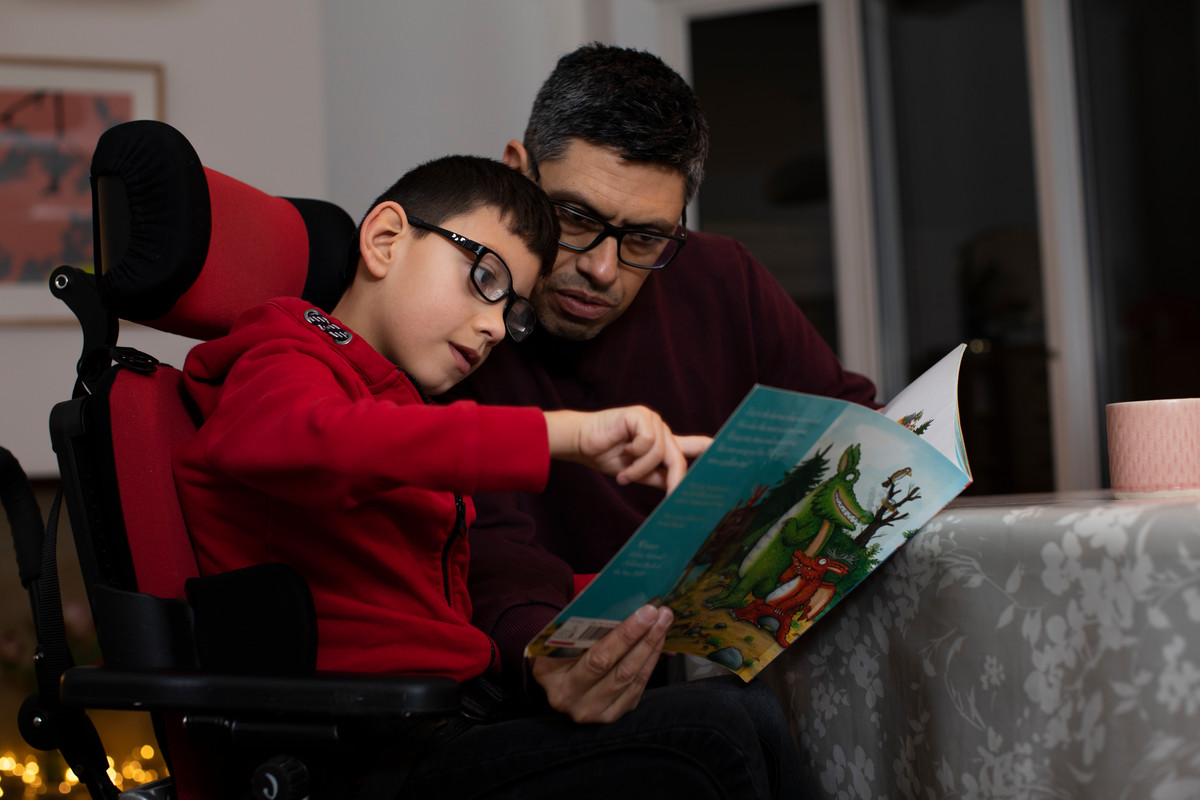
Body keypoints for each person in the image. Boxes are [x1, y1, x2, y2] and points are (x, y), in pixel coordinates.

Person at [173, 155, 800, 799]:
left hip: (458, 718)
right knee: (714, 729)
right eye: (484, 279)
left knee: (745, 707)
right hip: (369, 755)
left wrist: (664, 588)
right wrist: (566, 433)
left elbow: (456, 596)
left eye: (514, 311)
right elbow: (320, 442)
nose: (496, 326)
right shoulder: (279, 356)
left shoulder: (398, 408)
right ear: (386, 240)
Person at [449, 43, 881, 718]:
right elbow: (480, 544)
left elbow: (850, 422)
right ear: (516, 173)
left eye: (646, 238)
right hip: (533, 680)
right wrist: (537, 653)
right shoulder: (452, 319)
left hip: (703, 655)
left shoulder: (720, 277)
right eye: (576, 219)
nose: (602, 269)